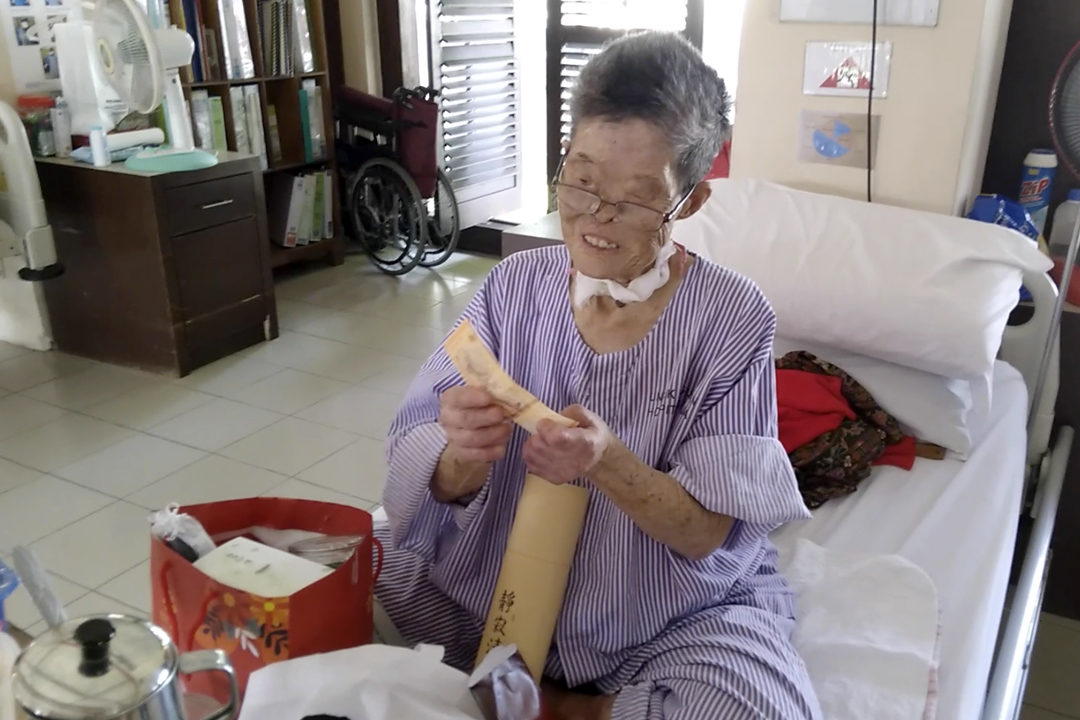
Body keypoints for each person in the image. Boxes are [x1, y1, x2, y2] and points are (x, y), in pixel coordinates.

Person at [375, 30, 821, 720]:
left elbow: (708, 534)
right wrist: (461, 456)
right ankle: (510, 681)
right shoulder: (513, 286)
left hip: (655, 617)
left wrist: (610, 462)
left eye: (637, 200)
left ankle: (564, 708)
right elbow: (416, 466)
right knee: (337, 573)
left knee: (754, 707)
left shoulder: (732, 316)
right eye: (581, 183)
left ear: (692, 201)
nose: (596, 219)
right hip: (487, 580)